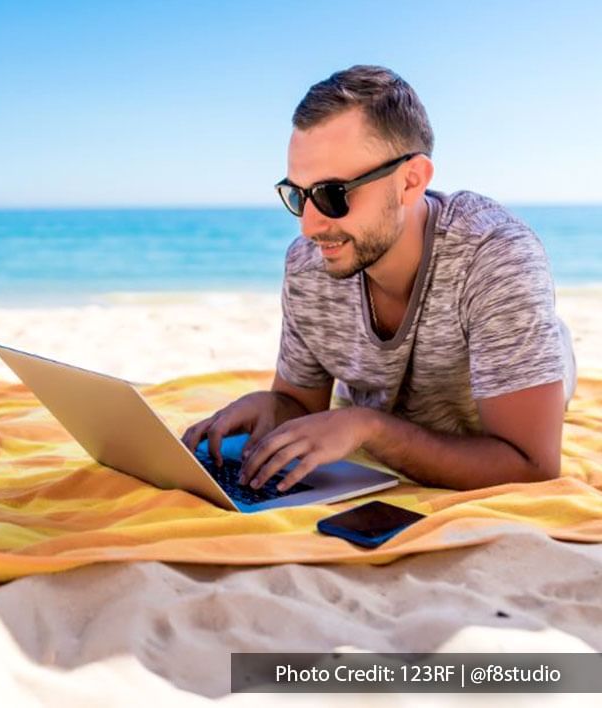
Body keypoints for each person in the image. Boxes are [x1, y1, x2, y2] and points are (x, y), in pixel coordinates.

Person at [181, 65, 577, 494]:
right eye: (298, 195)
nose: (309, 227)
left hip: (525, 365)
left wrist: (369, 427)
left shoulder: (496, 257)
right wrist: (271, 407)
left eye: (333, 195)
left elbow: (533, 465)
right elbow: (303, 406)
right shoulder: (309, 263)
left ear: (410, 182)